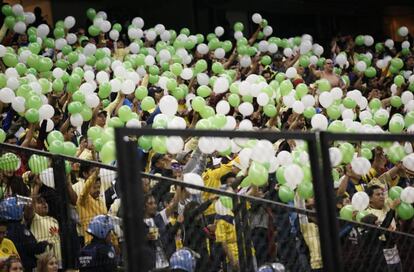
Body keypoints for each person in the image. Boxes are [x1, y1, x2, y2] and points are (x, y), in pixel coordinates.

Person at [0, 197, 49, 271]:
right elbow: (32, 247)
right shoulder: (20, 228)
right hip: (25, 267)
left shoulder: (7, 230)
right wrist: (43, 244)